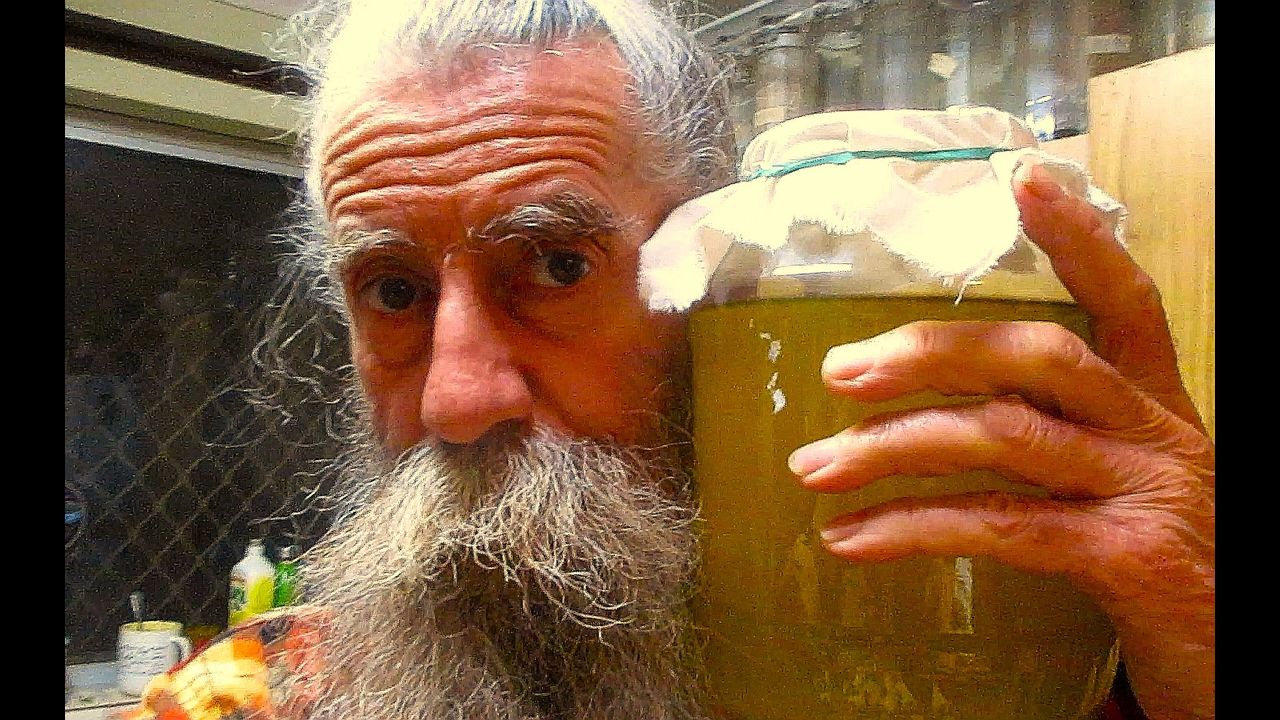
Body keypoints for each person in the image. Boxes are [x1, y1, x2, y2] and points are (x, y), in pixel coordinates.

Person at [123, 1, 1214, 719]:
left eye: (555, 266)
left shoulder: (1037, 670)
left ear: (714, 279)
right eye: (394, 292)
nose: (456, 402)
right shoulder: (248, 698)